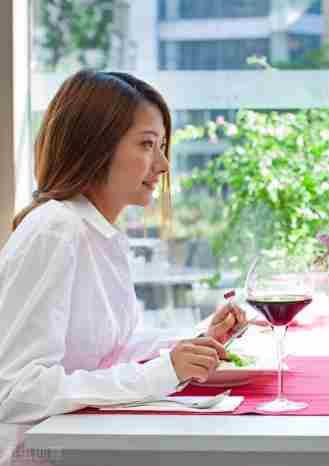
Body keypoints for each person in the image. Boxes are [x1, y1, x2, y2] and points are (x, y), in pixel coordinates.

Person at [0, 70, 247, 428]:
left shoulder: (99, 233)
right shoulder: (55, 230)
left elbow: (106, 354)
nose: (163, 165)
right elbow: (15, 393)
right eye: (147, 145)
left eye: (162, 147)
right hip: (41, 448)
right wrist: (163, 372)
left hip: (83, 438)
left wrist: (196, 344)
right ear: (95, 146)